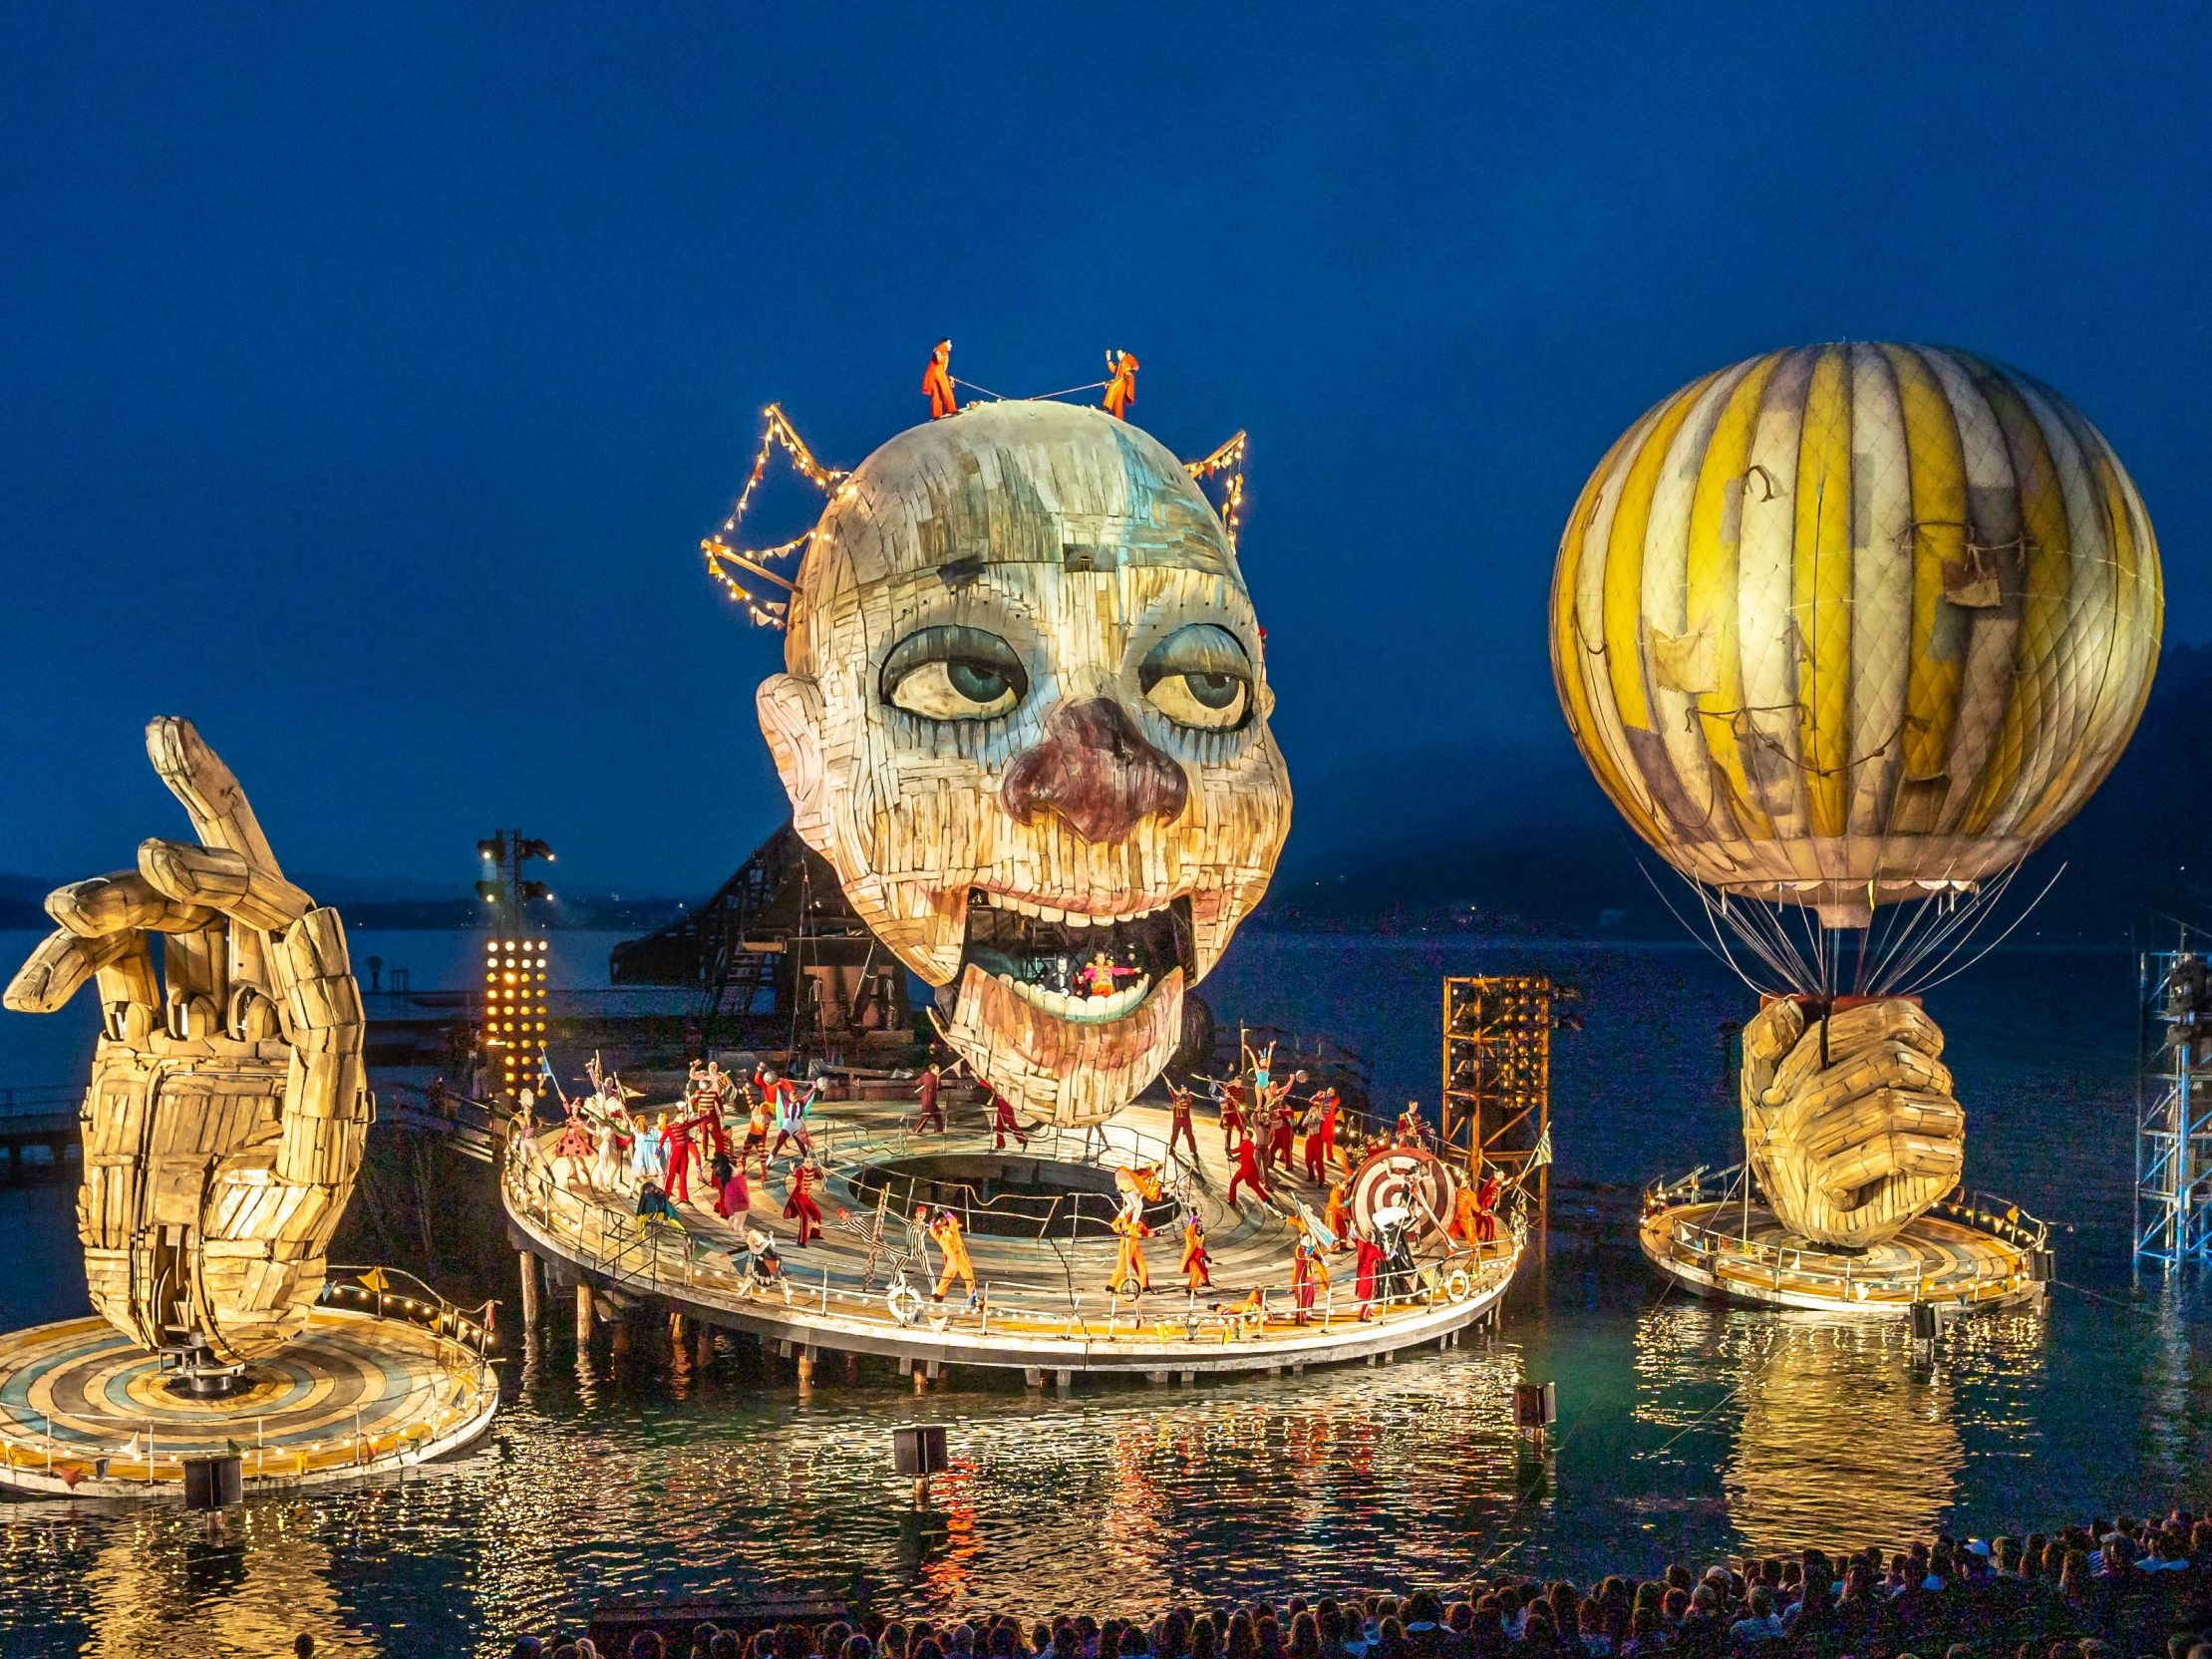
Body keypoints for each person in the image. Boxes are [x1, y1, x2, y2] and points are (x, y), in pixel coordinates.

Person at [927, 1206, 975, 1303]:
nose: (942, 1221)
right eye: (940, 1221)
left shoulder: (952, 1229)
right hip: (952, 1259)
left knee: (968, 1277)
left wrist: (945, 1211)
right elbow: (932, 1229)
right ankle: (938, 1297)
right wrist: (934, 1216)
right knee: (945, 1278)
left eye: (943, 1220)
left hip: (960, 1256)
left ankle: (972, 1297)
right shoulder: (939, 1236)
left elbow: (952, 1220)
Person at [784, 1155, 824, 1246]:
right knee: (804, 1216)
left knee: (817, 1214)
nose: (810, 1163)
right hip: (797, 1197)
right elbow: (794, 1173)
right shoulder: (800, 1171)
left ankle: (815, 1234)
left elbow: (820, 1177)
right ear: (803, 1163)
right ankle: (801, 1241)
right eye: (807, 1162)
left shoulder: (813, 1171)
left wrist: (820, 1170)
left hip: (805, 1197)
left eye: (811, 1161)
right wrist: (791, 1169)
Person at [1109, 1207, 1152, 1296]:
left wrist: (1156, 1233)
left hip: (1135, 1246)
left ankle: (1145, 1287)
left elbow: (1147, 1232)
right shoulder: (1125, 1221)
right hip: (1127, 1244)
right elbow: (1118, 1227)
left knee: (1142, 1266)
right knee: (1122, 1267)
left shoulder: (1138, 1223)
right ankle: (1111, 1287)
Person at [1303, 1087, 1340, 1182]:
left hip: (1329, 1123)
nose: (1329, 1093)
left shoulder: (1335, 1100)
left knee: (1329, 1141)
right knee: (1321, 1140)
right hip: (1321, 1124)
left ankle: (1330, 1157)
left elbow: (1330, 1104)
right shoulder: (1322, 1099)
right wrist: (1317, 1095)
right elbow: (1311, 1101)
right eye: (1328, 1091)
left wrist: (1325, 1097)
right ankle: (1319, 1160)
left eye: (1331, 1092)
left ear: (1334, 1093)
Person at [1291, 1232, 1329, 1325]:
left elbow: (1315, 1256)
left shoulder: (1308, 1248)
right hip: (1302, 1277)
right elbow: (1305, 1256)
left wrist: (1322, 1261)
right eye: (1307, 1240)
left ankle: (1306, 1314)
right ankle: (1300, 1320)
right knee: (1303, 1298)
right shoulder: (1298, 1249)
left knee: (1311, 1296)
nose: (1309, 1241)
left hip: (1310, 1275)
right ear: (1301, 1240)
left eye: (1309, 1239)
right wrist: (1312, 1245)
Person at [1227, 1130, 1270, 1208]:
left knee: (1235, 1182)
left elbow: (1238, 1150)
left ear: (1249, 1137)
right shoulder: (1250, 1144)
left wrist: (1230, 1151)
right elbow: (1243, 1154)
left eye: (1245, 1134)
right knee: (1254, 1185)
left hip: (1247, 1169)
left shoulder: (1246, 1144)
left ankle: (1232, 1200)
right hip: (1248, 1167)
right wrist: (1233, 1158)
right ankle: (1266, 1198)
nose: (1243, 1135)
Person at [1166, 1083, 1201, 1167]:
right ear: (1180, 1090)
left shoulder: (1188, 1096)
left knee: (1190, 1135)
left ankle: (1193, 1150)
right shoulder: (1176, 1097)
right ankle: (1172, 1147)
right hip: (1177, 1120)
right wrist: (1169, 1085)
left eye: (1185, 1090)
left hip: (1186, 1121)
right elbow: (1172, 1093)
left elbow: (1187, 1099)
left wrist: (1180, 1095)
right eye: (1183, 1090)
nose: (1185, 1091)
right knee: (1174, 1135)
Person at [712, 1143, 749, 1221]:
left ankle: (719, 1208)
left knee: (722, 1196)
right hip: (727, 1182)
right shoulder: (728, 1167)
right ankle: (725, 1212)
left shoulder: (720, 1165)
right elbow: (739, 1172)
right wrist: (741, 1167)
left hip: (722, 1181)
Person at [923, 340, 958, 419]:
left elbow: (937, 353)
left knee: (936, 393)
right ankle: (952, 409)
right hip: (938, 371)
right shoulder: (942, 346)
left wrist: (947, 376)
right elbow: (938, 353)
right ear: (945, 342)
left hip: (932, 373)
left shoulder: (939, 349)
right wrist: (939, 358)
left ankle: (936, 414)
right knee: (946, 389)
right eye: (950, 343)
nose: (951, 345)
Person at [1180, 1208, 1212, 1291]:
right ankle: (1191, 1289)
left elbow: (1201, 1249)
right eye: (1197, 1227)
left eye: (1200, 1227)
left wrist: (1206, 1256)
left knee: (1204, 1271)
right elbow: (1189, 1230)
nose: (1199, 1228)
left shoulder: (1201, 1237)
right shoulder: (1191, 1238)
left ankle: (1205, 1282)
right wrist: (1194, 1217)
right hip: (1192, 1260)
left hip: (1199, 1260)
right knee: (1196, 1273)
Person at [1104, 349, 1138, 419]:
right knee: (1118, 400)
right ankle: (1119, 417)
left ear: (1124, 353)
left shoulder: (1128, 357)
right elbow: (1113, 369)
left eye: (1119, 354)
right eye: (1117, 354)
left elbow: (1136, 366)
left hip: (1124, 379)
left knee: (1113, 387)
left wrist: (1130, 372)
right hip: (1120, 381)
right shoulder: (1120, 364)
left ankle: (1106, 407)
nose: (1118, 356)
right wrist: (1109, 359)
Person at [914, 1063, 946, 1135]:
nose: (938, 1071)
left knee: (937, 1114)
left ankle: (939, 1130)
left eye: (939, 1070)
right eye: (937, 1070)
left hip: (932, 1099)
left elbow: (939, 1088)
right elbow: (917, 1082)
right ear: (932, 1069)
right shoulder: (927, 1076)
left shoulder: (931, 1076)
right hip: (927, 1099)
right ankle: (916, 1130)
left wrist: (937, 1078)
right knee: (926, 1115)